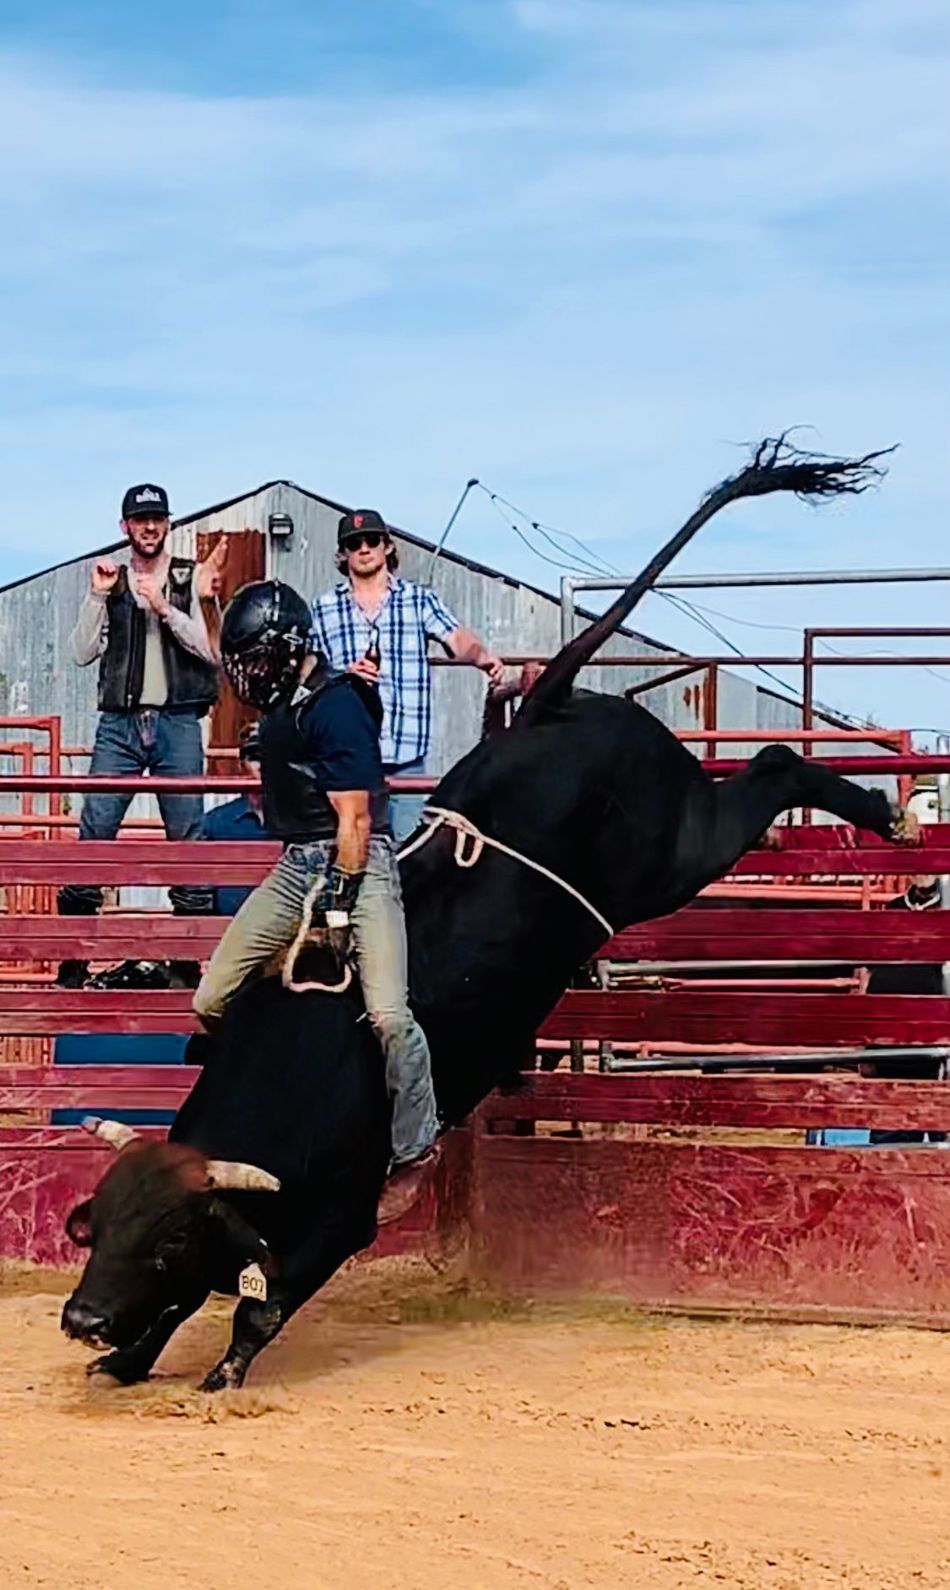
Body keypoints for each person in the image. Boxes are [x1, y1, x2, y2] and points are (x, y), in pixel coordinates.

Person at [193, 580, 439, 1205]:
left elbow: (354, 825)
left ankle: (416, 1144)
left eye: (254, 659)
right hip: (295, 862)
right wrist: (209, 605)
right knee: (212, 998)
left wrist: (334, 912)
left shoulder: (335, 705)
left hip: (358, 861)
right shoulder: (286, 698)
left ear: (286, 650)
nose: (246, 675)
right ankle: (275, 1094)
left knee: (390, 1016)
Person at [57, 484, 223, 988]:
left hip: (177, 721)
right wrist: (96, 596)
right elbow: (80, 652)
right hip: (121, 725)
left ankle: (185, 959)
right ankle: (73, 956)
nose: (149, 527)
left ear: (168, 523)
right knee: (94, 836)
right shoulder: (112, 579)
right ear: (124, 526)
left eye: (157, 518)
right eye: (140, 519)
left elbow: (212, 651)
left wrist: (165, 610)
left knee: (187, 838)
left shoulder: (187, 578)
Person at [309, 509, 505, 845]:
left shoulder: (419, 600)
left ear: (387, 546)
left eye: (372, 540)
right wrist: (342, 676)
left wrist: (482, 657)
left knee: (409, 852)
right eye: (354, 543)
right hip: (347, 756)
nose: (364, 548)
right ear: (343, 554)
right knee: (346, 850)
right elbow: (309, 670)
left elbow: (457, 638)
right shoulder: (322, 607)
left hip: (406, 757)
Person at [865, 875, 946, 1145]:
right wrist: (869, 1044)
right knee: (890, 1141)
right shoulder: (893, 911)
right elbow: (875, 975)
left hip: (940, 1052)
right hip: (892, 1048)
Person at [201, 723, 272, 916]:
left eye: (272, 757)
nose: (263, 766)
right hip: (226, 930)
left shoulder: (302, 821)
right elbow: (196, 889)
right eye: (255, 758)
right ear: (242, 765)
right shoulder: (215, 822)